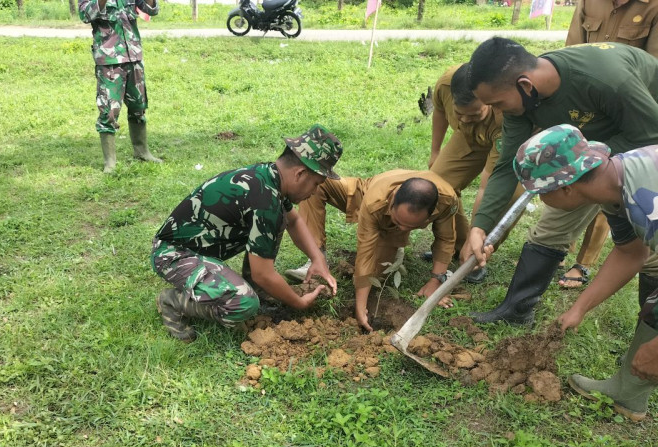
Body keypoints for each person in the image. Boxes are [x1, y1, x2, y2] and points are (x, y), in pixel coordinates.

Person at [463, 38, 658, 326]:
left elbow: (651, 134)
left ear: (525, 85)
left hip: (644, 140)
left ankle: (650, 331)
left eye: (498, 103)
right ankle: (517, 311)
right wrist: (479, 227)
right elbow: (506, 167)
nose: (497, 111)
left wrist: (579, 164)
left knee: (651, 253)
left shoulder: (607, 79)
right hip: (589, 161)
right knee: (553, 227)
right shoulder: (521, 102)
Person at [514, 124, 658, 447]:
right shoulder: (614, 187)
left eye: (540, 194)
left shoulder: (649, 203)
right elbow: (631, 253)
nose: (540, 203)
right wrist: (579, 308)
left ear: (565, 187)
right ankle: (627, 391)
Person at [150, 125, 341, 342]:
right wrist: (298, 303)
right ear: (300, 174)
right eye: (316, 184)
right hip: (172, 256)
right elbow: (263, 274)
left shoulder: (269, 177)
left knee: (280, 218)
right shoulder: (265, 200)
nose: (314, 192)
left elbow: (294, 220)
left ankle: (259, 290)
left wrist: (317, 258)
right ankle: (173, 302)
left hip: (195, 251)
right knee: (243, 303)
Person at [284, 170, 461, 332]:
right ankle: (317, 260)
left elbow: (446, 239)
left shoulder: (447, 200)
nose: (403, 228)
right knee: (317, 184)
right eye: (398, 221)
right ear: (393, 201)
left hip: (389, 229)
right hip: (367, 193)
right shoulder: (375, 202)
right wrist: (360, 307)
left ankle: (395, 246)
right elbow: (365, 252)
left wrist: (436, 280)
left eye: (410, 227)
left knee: (377, 275)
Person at [559, 0, 658, 288]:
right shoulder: (589, 1)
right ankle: (559, 247)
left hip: (630, 107)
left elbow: (654, 68)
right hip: (587, 106)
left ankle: (583, 262)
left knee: (607, 184)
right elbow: (571, 50)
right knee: (573, 178)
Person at [428, 63, 512, 284]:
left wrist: (478, 229)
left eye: (474, 114)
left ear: (491, 102)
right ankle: (456, 246)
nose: (464, 119)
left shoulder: (506, 116)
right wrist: (435, 150)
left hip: (506, 144)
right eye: (459, 114)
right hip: (468, 138)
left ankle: (475, 257)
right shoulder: (447, 84)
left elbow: (487, 187)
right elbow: (439, 110)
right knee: (435, 185)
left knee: (501, 201)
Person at [79, 0, 161, 173]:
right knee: (108, 111)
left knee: (139, 106)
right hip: (109, 60)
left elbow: (151, 10)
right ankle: (110, 162)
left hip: (134, 56)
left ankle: (142, 152)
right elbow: (85, 15)